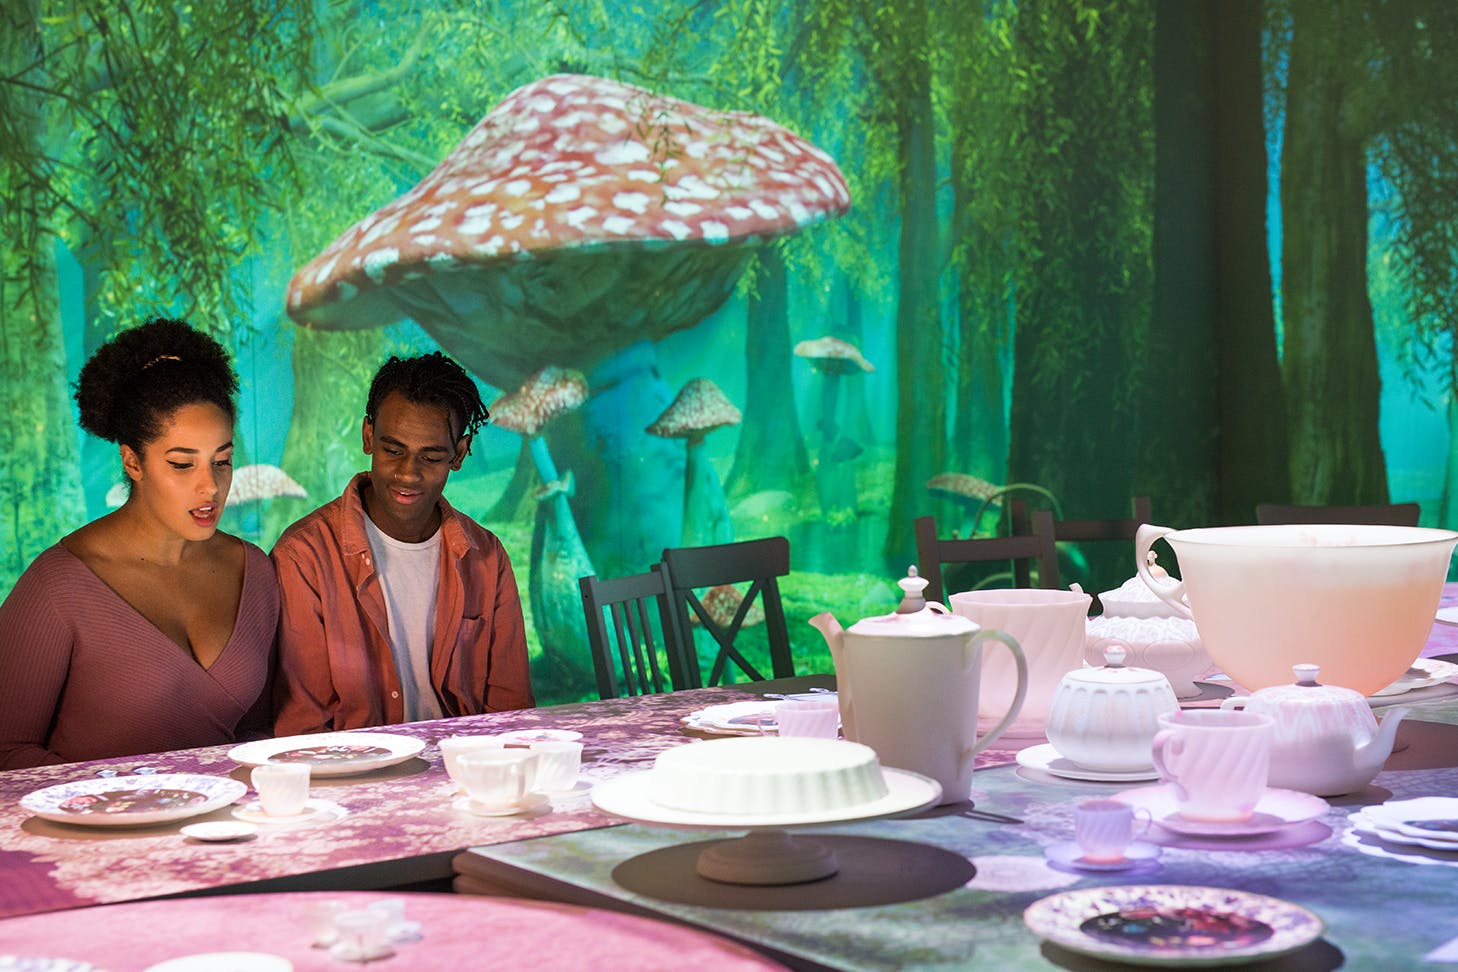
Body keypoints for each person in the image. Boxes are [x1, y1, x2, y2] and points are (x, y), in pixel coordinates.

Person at [0, 318, 278, 769]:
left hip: (230, 812)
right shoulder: (56, 587)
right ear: (132, 461)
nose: (210, 486)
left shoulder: (254, 571)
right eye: (182, 465)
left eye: (222, 461)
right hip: (97, 815)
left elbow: (261, 733)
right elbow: (7, 751)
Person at [271, 352, 533, 735]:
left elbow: (512, 716)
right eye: (393, 451)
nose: (408, 474)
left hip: (468, 764)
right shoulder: (303, 557)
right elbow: (303, 728)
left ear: (459, 454)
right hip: (354, 768)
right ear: (368, 436)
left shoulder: (487, 557)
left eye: (431, 457)